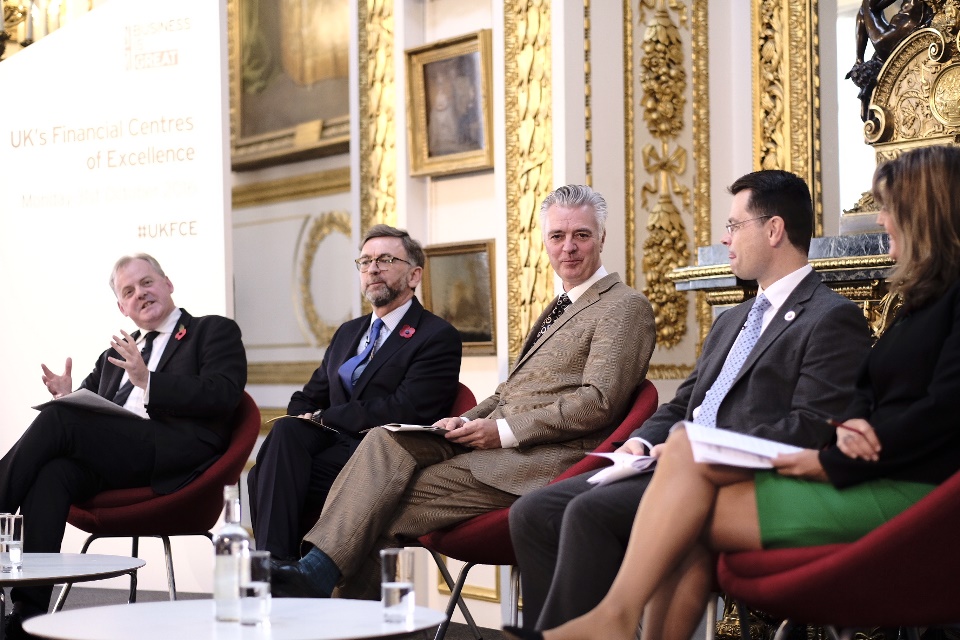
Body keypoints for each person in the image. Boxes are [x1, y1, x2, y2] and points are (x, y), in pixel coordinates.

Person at [503, 144, 960, 640]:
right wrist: (642, 442)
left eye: (733, 225)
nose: (881, 220)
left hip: (835, 479)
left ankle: (600, 626)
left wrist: (717, 448)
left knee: (617, 508)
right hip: (685, 460)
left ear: (774, 229)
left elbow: (838, 418)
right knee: (535, 510)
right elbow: (689, 403)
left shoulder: (832, 315)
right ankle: (591, 626)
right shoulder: (737, 319)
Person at [271, 184, 656, 600]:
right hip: (493, 447)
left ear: (602, 238)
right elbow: (509, 391)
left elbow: (597, 403)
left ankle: (318, 581)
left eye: (581, 235)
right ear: (544, 241)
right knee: (385, 439)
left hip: (542, 463)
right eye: (557, 236)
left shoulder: (624, 306)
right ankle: (316, 574)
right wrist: (466, 420)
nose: (569, 248)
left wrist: (503, 431)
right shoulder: (561, 303)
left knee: (376, 509)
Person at [0, 254, 247, 635]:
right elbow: (89, 415)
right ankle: (27, 617)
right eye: (129, 292)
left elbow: (224, 395)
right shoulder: (114, 353)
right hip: (118, 460)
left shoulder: (212, 331)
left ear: (168, 283)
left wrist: (149, 380)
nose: (141, 295)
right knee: (54, 473)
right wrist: (68, 395)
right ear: (122, 307)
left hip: (174, 456)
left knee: (60, 419)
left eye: (147, 283)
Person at [247, 225, 462, 560]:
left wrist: (323, 417)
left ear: (414, 275)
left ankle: (274, 574)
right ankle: (281, 574)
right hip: (333, 448)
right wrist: (305, 412)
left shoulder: (436, 335)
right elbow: (311, 393)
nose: (373, 269)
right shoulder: (349, 332)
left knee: (266, 476)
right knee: (285, 435)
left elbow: (408, 408)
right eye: (365, 262)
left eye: (386, 260)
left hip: (381, 454)